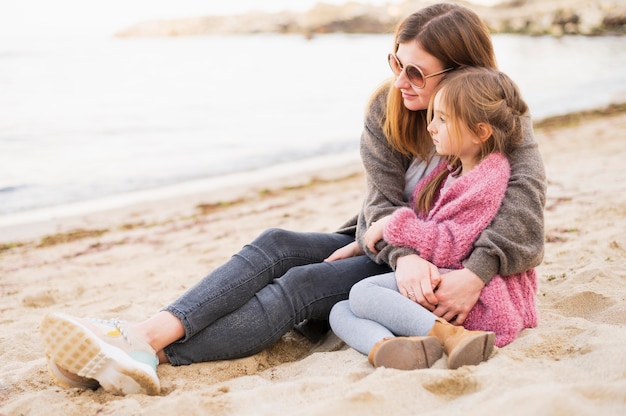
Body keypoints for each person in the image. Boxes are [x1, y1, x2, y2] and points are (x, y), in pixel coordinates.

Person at [39, 3, 546, 395]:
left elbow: (524, 214)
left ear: (461, 72)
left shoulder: (496, 118)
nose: (401, 81)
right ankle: (145, 335)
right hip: (390, 248)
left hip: (445, 266)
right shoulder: (387, 107)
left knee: (302, 284)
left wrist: (475, 273)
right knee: (276, 242)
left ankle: (153, 352)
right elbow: (380, 201)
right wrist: (403, 254)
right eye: (397, 61)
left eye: (417, 72)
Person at [329, 66, 539, 371]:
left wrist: (393, 225)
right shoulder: (453, 169)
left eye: (442, 119)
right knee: (339, 310)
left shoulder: (487, 178)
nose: (431, 127)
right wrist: (363, 241)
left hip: (471, 294)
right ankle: (388, 348)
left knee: (364, 292)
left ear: (480, 132)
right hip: (444, 274)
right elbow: (426, 217)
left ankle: (452, 336)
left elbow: (453, 245)